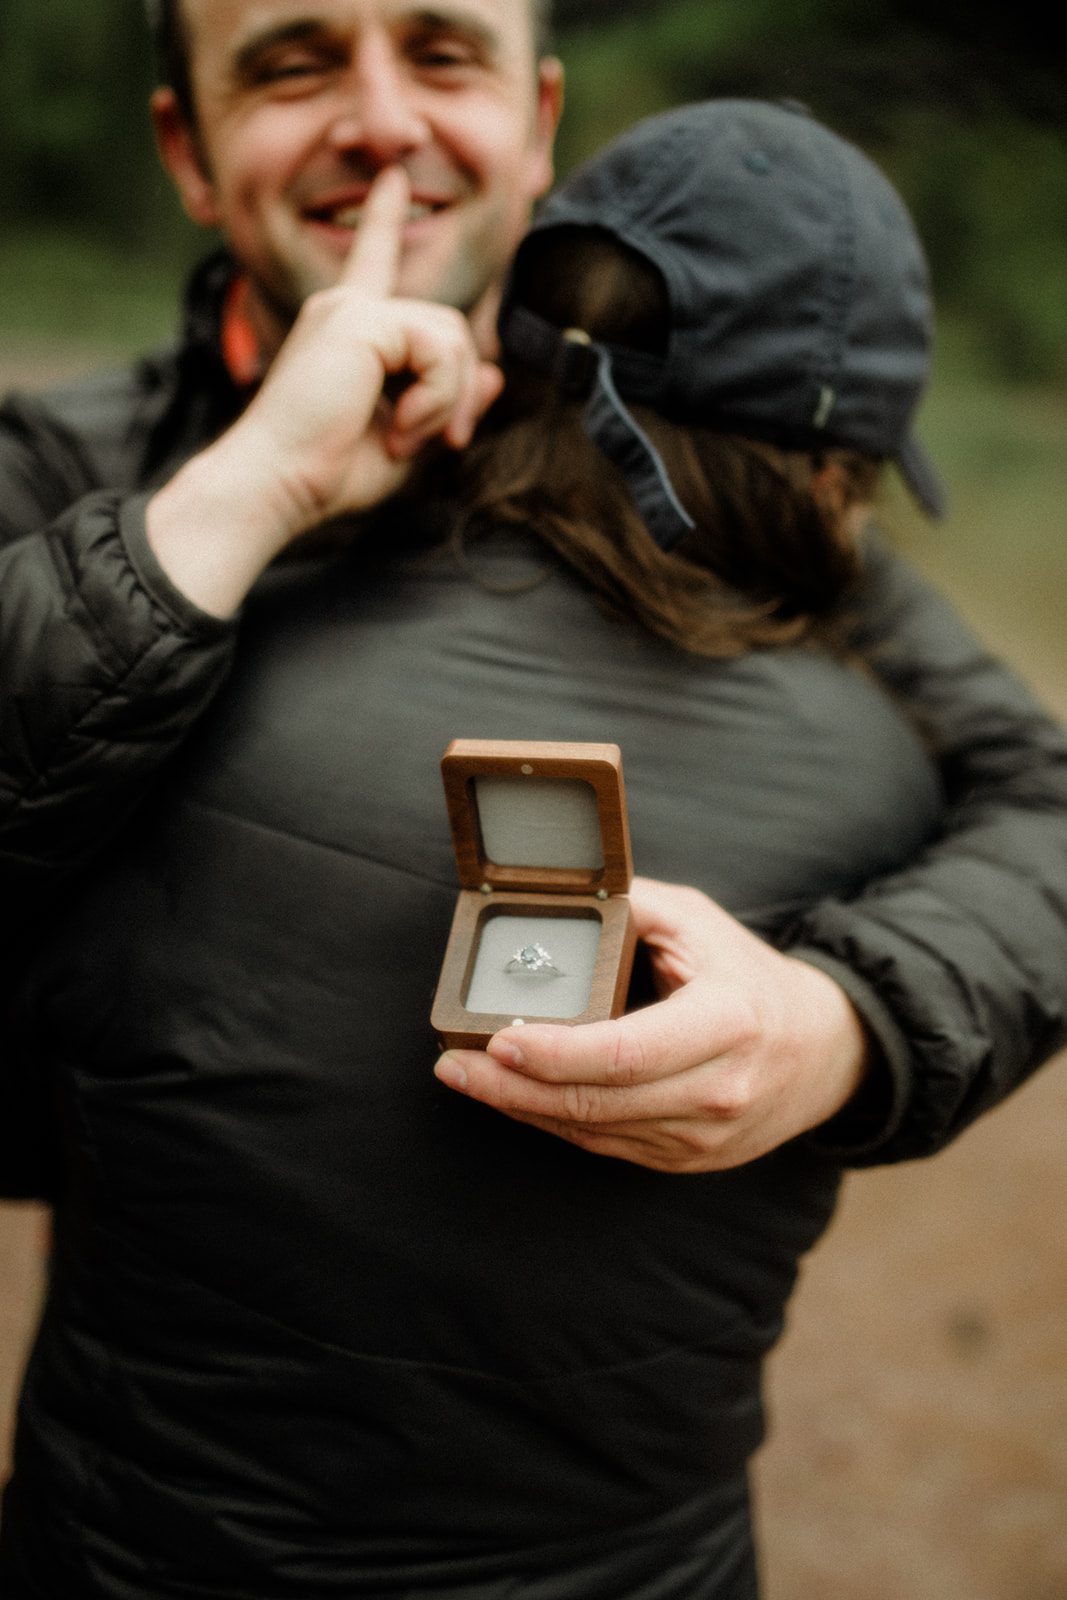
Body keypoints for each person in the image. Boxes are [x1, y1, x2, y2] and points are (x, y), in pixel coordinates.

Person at [0, 0, 1065, 1590]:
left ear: (536, 120)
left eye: (441, 52)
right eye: (292, 61)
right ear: (188, 150)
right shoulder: (61, 462)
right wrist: (248, 489)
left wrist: (846, 1022)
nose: (380, 122)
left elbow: (1043, 794)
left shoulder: (697, 485)